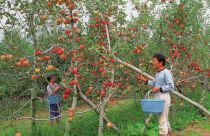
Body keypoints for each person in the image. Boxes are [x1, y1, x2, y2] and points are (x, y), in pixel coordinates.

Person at [138, 53, 174, 136]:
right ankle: (169, 134)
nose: (152, 62)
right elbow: (155, 83)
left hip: (163, 97)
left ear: (160, 63)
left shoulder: (166, 72)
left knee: (162, 120)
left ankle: (163, 134)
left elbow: (171, 86)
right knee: (164, 118)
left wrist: (159, 88)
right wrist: (145, 80)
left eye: (154, 61)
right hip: (158, 97)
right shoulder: (158, 73)